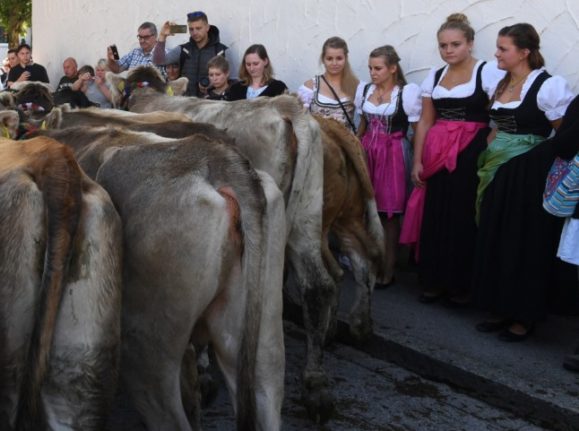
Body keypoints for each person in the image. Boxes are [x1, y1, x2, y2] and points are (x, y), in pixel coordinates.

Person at [473, 23, 576, 342]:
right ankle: (500, 307)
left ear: (524, 52)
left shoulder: (548, 86)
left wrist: (531, 159)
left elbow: (561, 133)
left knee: (523, 243)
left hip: (528, 177)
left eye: (503, 48)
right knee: (496, 238)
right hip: (498, 172)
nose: (496, 53)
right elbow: (495, 127)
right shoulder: (500, 81)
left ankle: (523, 317)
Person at [399, 14, 505, 305]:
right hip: (436, 151)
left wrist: (484, 148)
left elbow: (501, 117)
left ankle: (461, 284)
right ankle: (434, 279)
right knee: (435, 213)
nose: (449, 50)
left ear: (470, 44)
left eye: (455, 44)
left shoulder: (488, 72)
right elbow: (424, 122)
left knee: (463, 215)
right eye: (443, 45)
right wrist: (418, 160)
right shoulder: (434, 76)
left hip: (471, 150)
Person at [356, 45, 421, 288]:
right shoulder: (365, 90)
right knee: (365, 210)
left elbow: (415, 132)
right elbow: (362, 126)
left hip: (392, 155)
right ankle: (370, 262)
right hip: (367, 153)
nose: (373, 73)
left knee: (388, 215)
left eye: (378, 68)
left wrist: (420, 160)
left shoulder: (406, 93)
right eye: (371, 68)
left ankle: (389, 267)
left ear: (392, 68)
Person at [154, 11, 228, 96]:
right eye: (191, 29)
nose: (195, 32)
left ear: (207, 27)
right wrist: (162, 36)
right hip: (186, 103)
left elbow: (228, 79)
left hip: (210, 103)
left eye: (198, 28)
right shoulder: (183, 49)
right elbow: (158, 61)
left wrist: (212, 83)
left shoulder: (220, 51)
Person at [298, 36, 363, 133]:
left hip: (346, 146)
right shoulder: (310, 86)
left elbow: (365, 121)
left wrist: (357, 140)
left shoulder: (356, 86)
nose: (334, 63)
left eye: (339, 58)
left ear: (346, 58)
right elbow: (300, 121)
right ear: (323, 59)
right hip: (319, 145)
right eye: (329, 58)